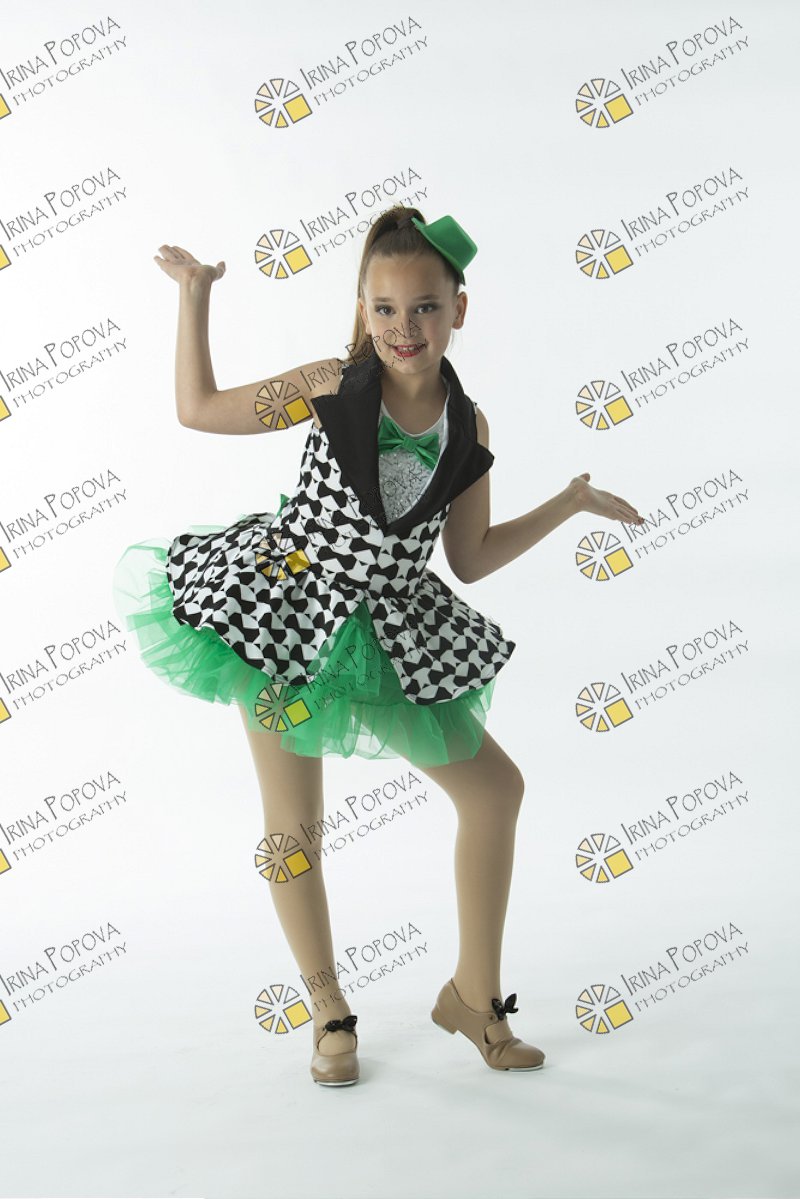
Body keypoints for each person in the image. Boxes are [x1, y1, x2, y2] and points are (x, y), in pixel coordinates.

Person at [112, 206, 645, 1087]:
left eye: (426, 307)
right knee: (295, 827)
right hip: (286, 611)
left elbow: (469, 559)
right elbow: (197, 409)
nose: (406, 328)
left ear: (459, 309)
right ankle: (328, 1009)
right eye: (387, 308)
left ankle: (473, 998)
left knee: (496, 790)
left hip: (389, 631)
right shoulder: (330, 384)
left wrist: (568, 502)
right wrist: (195, 295)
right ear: (364, 310)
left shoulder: (468, 428)